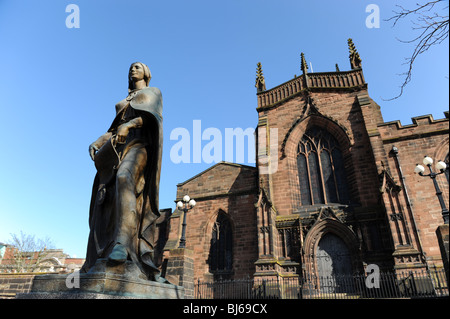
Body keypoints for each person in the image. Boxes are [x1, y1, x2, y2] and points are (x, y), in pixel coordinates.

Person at [81, 62, 164, 281]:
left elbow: (150, 119)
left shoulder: (153, 92)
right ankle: (101, 252)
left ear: (146, 72)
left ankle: (123, 244)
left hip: (139, 144)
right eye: (130, 67)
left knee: (124, 177)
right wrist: (98, 141)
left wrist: (129, 126)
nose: (132, 69)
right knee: (106, 198)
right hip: (115, 149)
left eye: (137, 67)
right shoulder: (125, 100)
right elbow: (114, 128)